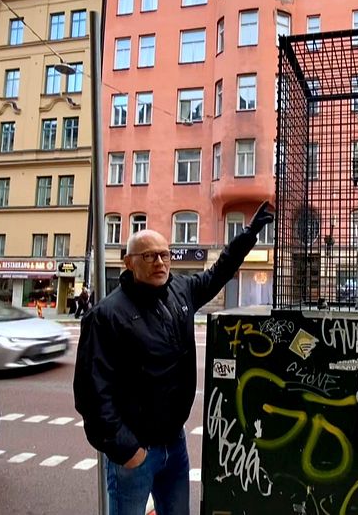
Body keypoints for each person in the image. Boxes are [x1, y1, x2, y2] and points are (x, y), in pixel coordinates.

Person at [73, 201, 275, 515]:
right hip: (136, 454)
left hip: (174, 444)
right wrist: (128, 450)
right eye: (149, 255)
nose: (159, 262)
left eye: (165, 254)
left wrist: (248, 235)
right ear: (129, 263)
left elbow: (219, 272)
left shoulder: (180, 291)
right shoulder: (107, 316)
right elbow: (91, 395)